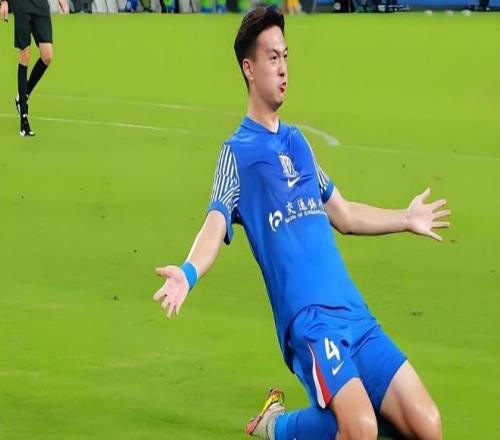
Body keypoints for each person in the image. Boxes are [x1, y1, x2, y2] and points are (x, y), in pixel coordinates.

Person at [153, 7, 449, 440]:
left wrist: (405, 218)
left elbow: (344, 214)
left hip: (354, 314)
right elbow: (216, 221)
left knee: (428, 425)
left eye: (286, 57)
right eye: (273, 58)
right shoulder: (237, 153)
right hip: (310, 323)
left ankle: (304, 420)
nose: (283, 69)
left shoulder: (299, 143)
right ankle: (276, 426)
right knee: (361, 429)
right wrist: (188, 272)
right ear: (249, 68)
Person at [1, 0, 68, 136]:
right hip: (21, 5)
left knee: (47, 56)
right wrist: (4, 1)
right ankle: (24, 120)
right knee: (25, 55)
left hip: (40, 5)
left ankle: (22, 96)